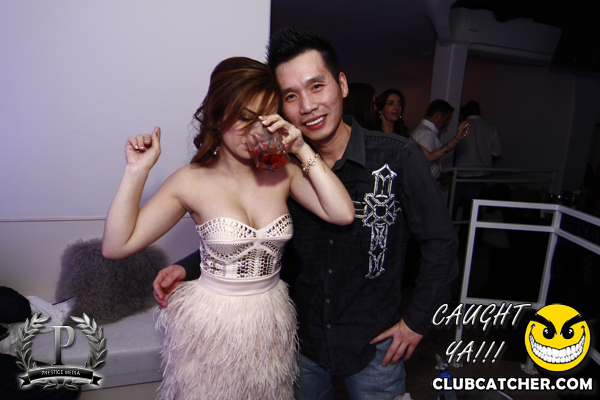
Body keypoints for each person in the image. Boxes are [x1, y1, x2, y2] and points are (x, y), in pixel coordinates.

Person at [154, 28, 458, 399]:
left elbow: (441, 243)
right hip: (303, 344)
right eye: (291, 96)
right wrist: (189, 267)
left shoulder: (398, 156)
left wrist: (417, 321)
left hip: (375, 344)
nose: (307, 106)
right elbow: (254, 233)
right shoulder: (279, 167)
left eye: (316, 86)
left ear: (341, 84)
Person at [102, 56, 354, 400]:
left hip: (270, 320)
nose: (256, 131)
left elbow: (342, 213)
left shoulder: (282, 173)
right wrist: (136, 171)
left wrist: (300, 147)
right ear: (219, 115)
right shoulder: (190, 182)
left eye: (266, 118)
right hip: (212, 324)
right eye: (245, 118)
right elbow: (116, 246)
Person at [452, 100, 502, 219]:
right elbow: (498, 151)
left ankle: (448, 230)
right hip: (480, 173)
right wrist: (483, 160)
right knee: (471, 210)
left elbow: (451, 148)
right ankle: (467, 231)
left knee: (452, 206)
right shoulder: (490, 127)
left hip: (461, 172)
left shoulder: (460, 126)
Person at [410, 99, 470, 184]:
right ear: (438, 116)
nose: (447, 123)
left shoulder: (425, 132)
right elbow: (427, 164)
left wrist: (456, 140)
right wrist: (442, 177)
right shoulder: (426, 134)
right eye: (446, 119)